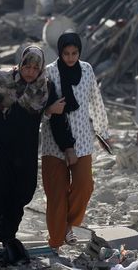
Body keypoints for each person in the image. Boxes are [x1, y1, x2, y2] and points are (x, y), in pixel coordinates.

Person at [0, 45, 56, 266]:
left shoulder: (43, 88)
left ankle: (7, 235)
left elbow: (49, 112)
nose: (31, 72)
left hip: (24, 151)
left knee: (22, 192)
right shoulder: (2, 79)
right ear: (21, 63)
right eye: (27, 66)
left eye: (36, 68)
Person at [41, 32, 110, 251]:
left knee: (84, 186)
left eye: (74, 53)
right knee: (56, 194)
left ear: (79, 52)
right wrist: (49, 111)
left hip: (82, 139)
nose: (70, 58)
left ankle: (68, 225)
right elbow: (40, 107)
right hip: (53, 141)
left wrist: (103, 132)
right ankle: (55, 243)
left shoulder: (87, 70)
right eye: (66, 53)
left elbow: (95, 101)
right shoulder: (49, 72)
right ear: (60, 53)